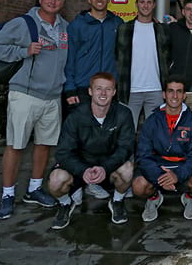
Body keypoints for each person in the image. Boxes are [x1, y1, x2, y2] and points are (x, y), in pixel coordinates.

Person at [0, 0, 69, 219]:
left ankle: (34, 189)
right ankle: (7, 194)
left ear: (63, 3)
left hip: (52, 96)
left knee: (44, 144)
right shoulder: (23, 23)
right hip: (25, 93)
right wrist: (23, 51)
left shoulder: (65, 27)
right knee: (16, 144)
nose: (52, 2)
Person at [48, 72, 135, 229]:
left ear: (114, 92)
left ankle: (117, 201)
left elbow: (126, 147)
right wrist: (83, 170)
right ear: (90, 91)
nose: (103, 93)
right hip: (81, 168)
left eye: (108, 89)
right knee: (55, 180)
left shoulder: (123, 113)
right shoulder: (76, 116)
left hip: (108, 167)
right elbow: (62, 152)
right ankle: (65, 204)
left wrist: (105, 167)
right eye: (98, 89)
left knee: (128, 169)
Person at [132, 75, 192, 221]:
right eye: (170, 91)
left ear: (184, 95)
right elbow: (143, 154)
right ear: (164, 94)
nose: (174, 96)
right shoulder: (152, 120)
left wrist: (177, 175)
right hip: (159, 166)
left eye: (179, 91)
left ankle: (189, 197)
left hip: (182, 166)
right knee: (138, 186)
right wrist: (160, 177)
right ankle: (154, 198)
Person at [115, 0, 169, 129]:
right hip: (130, 90)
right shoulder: (124, 29)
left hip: (156, 89)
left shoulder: (162, 30)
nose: (145, 5)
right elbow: (117, 58)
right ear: (136, 4)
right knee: (127, 133)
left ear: (154, 5)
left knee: (155, 133)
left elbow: (168, 59)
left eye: (149, 2)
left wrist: (166, 86)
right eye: (142, 2)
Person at [63, 0, 123, 109]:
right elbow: (69, 58)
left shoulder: (117, 23)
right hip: (84, 87)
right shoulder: (77, 25)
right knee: (83, 127)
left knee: (107, 127)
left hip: (108, 87)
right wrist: (70, 88)